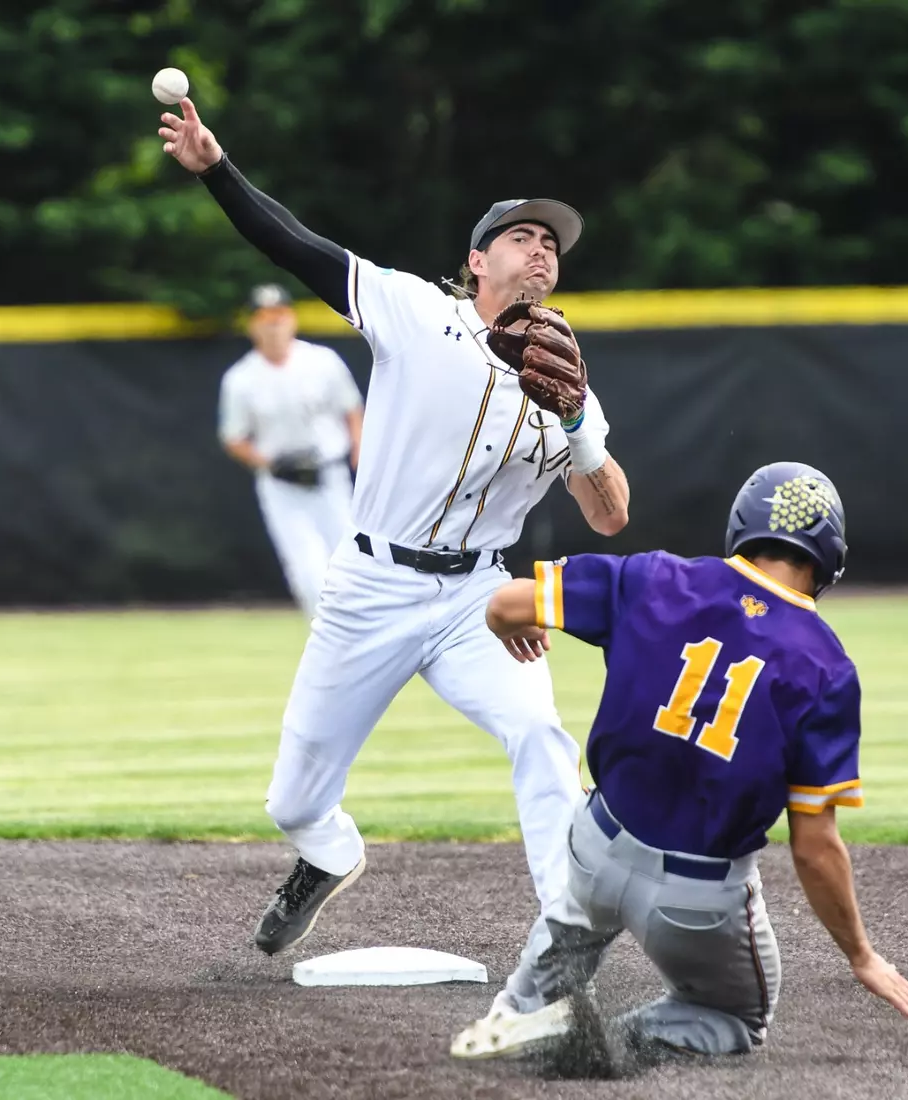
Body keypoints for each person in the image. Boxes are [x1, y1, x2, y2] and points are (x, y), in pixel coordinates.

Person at [157, 100, 632, 1007]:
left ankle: (567, 932)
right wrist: (218, 169)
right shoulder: (415, 313)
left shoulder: (568, 378)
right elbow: (293, 246)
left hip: (477, 605)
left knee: (538, 731)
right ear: (476, 259)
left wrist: (578, 427)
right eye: (522, 236)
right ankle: (329, 856)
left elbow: (609, 514)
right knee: (293, 804)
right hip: (371, 586)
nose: (541, 250)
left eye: (553, 244)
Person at [451, 461, 908, 1062]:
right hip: (695, 900)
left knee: (577, 914)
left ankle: (522, 1010)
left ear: (742, 526)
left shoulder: (655, 577)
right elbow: (814, 846)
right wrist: (862, 956)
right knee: (734, 1018)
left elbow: (505, 605)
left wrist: (506, 627)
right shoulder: (827, 668)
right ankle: (607, 1038)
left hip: (596, 849)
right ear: (828, 556)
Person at [218, 282, 364, 618]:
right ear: (252, 324)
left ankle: (360, 634)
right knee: (308, 570)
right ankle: (327, 641)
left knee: (348, 562)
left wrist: (359, 450)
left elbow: (352, 409)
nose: (273, 323)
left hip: (330, 474)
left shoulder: (321, 361)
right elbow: (234, 438)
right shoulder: (241, 378)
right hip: (282, 483)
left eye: (279, 314)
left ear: (292, 319)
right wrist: (268, 462)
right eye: (265, 316)